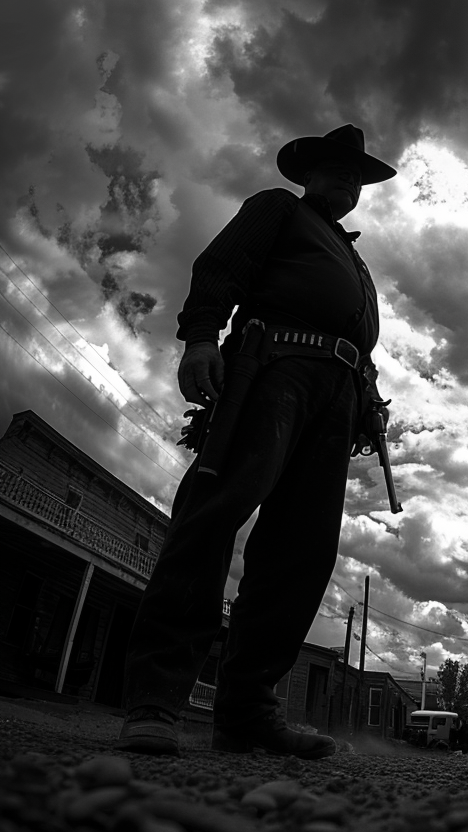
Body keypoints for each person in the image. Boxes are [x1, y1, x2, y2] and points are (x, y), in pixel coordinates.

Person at [115, 124, 397, 759]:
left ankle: (246, 712)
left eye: (355, 177)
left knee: (303, 549)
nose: (345, 183)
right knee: (213, 517)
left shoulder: (352, 258)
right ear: (308, 172)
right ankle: (156, 700)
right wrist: (201, 336)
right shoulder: (277, 208)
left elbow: (356, 335)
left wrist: (365, 399)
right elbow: (221, 267)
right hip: (270, 371)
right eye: (334, 170)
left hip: (337, 396)